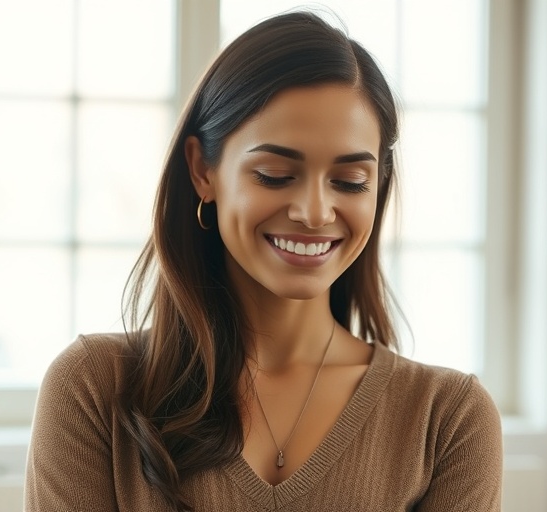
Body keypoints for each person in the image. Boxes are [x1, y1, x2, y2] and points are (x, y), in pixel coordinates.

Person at [25, 10, 502, 512]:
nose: (315, 212)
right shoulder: (93, 390)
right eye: (275, 174)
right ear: (202, 170)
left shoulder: (447, 421)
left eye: (349, 182)